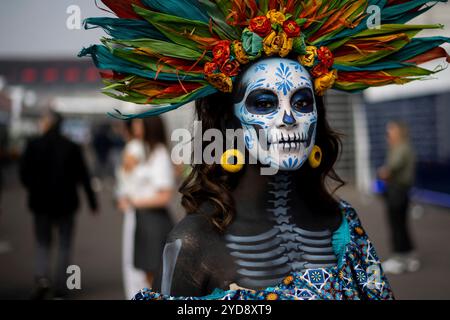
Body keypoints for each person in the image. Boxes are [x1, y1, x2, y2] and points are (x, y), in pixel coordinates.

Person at [81, 0, 449, 300]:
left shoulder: (343, 225)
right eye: (264, 102)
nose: (289, 118)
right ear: (230, 121)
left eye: (303, 102)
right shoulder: (192, 242)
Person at [19, 110, 98, 299]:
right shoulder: (71, 146)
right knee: (64, 244)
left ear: (47, 123)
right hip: (66, 204)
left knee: (42, 243)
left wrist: (34, 188)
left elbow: (24, 174)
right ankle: (61, 287)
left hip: (40, 204)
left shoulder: (33, 144)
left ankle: (42, 280)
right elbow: (83, 176)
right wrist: (92, 202)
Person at [116, 117, 174, 298]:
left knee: (153, 274)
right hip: (141, 218)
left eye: (139, 123)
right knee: (142, 271)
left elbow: (165, 196)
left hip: (153, 220)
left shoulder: (159, 153)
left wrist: (134, 201)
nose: (135, 126)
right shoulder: (144, 150)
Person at [378, 121, 419, 274]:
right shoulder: (403, 147)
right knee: (401, 224)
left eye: (390, 131)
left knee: (396, 225)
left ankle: (399, 259)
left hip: (397, 191)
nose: (388, 134)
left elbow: (389, 170)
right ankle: (409, 255)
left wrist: (383, 172)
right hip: (401, 191)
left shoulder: (400, 148)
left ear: (398, 132)